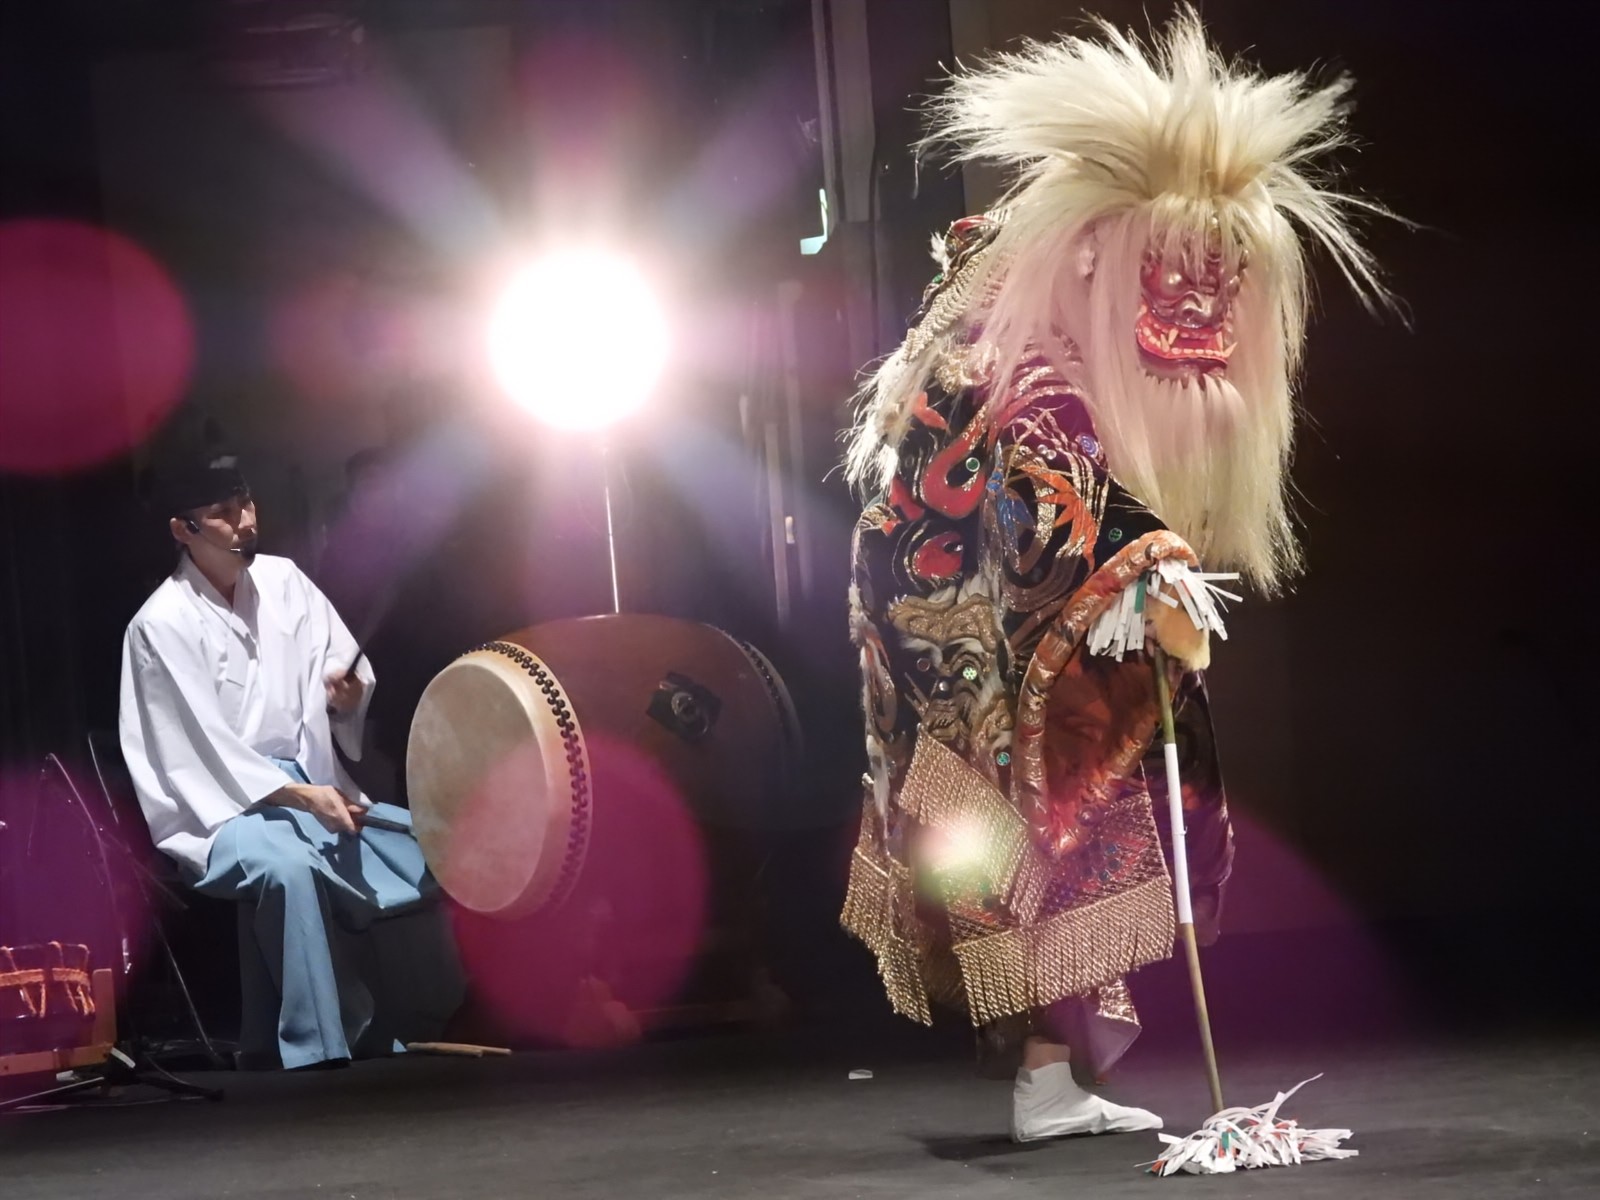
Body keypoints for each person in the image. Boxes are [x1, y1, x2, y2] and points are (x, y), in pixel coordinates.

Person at [839, 8, 1392, 1142]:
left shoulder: (1014, 327)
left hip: (979, 615)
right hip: (971, 621)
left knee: (1065, 809)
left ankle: (1050, 1076)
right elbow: (1046, 462)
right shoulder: (1022, 358)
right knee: (1058, 810)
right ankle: (1047, 1075)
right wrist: (1139, 560)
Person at [118, 425, 463, 1069]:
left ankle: (437, 1010)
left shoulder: (285, 581)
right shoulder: (159, 624)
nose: (245, 521)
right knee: (289, 869)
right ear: (183, 530)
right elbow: (200, 751)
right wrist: (302, 797)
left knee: (434, 847)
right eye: (223, 512)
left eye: (246, 502)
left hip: (311, 782)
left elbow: (339, 665)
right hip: (225, 810)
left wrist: (346, 694)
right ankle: (315, 1049)